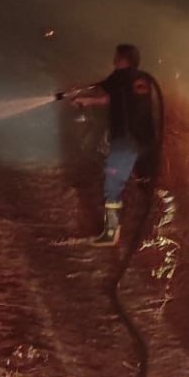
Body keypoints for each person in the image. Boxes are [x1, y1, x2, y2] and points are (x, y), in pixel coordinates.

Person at [69, 44, 161, 246]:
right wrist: (87, 101)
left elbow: (102, 93)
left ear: (123, 60)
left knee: (112, 185)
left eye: (116, 58)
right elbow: (113, 99)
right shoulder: (143, 79)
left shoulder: (119, 77)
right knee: (145, 184)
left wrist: (81, 97)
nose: (113, 61)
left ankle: (111, 233)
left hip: (125, 141)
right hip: (146, 141)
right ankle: (152, 231)